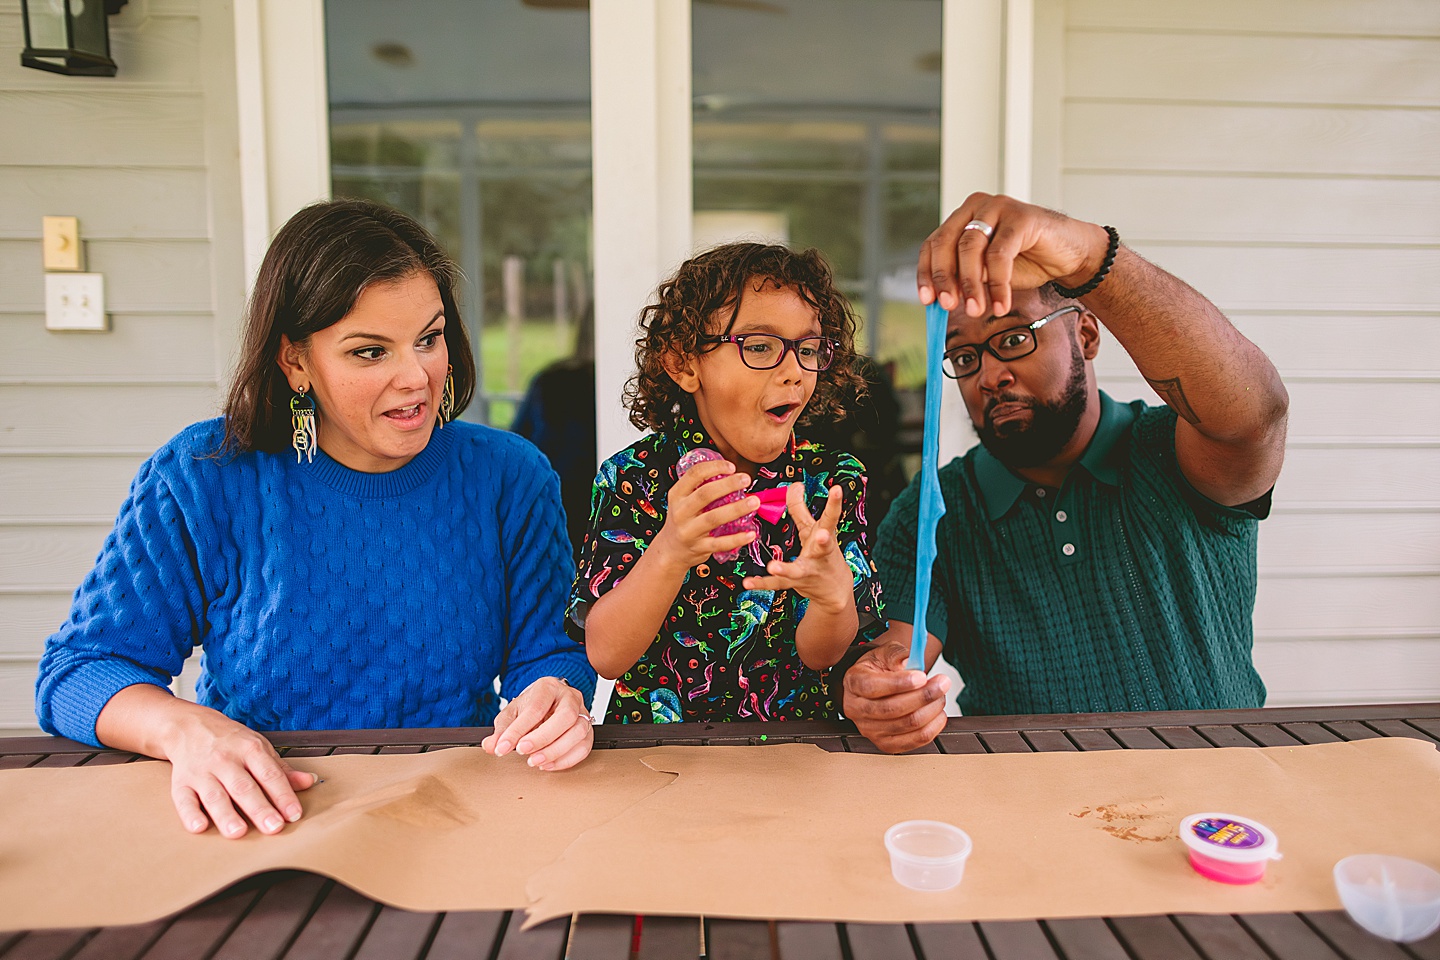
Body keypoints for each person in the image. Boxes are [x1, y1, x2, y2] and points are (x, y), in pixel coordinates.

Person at [35, 199, 598, 838]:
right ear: (296, 360)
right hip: (259, 818)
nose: (417, 377)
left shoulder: (512, 475)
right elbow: (79, 669)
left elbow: (548, 650)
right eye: (369, 352)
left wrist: (556, 692)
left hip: (457, 818)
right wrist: (186, 730)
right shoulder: (203, 473)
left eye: (430, 338)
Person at [842, 193, 1289, 752]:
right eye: (965, 356)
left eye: (1013, 339)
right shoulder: (935, 509)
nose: (990, 376)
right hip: (1033, 810)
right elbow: (900, 650)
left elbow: (1256, 413)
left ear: (1086, 335)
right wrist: (877, 689)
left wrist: (1089, 258)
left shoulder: (1172, 452)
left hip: (1218, 802)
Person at [567, 243, 886, 723]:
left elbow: (820, 656)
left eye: (809, 348)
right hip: (654, 755)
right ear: (684, 364)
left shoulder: (832, 483)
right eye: (760, 346)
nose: (794, 372)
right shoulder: (631, 478)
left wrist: (833, 596)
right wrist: (671, 550)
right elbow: (607, 656)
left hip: (792, 754)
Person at [512, 303, 597, 559]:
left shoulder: (550, 380)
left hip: (551, 509)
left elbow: (519, 448)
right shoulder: (554, 382)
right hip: (584, 510)